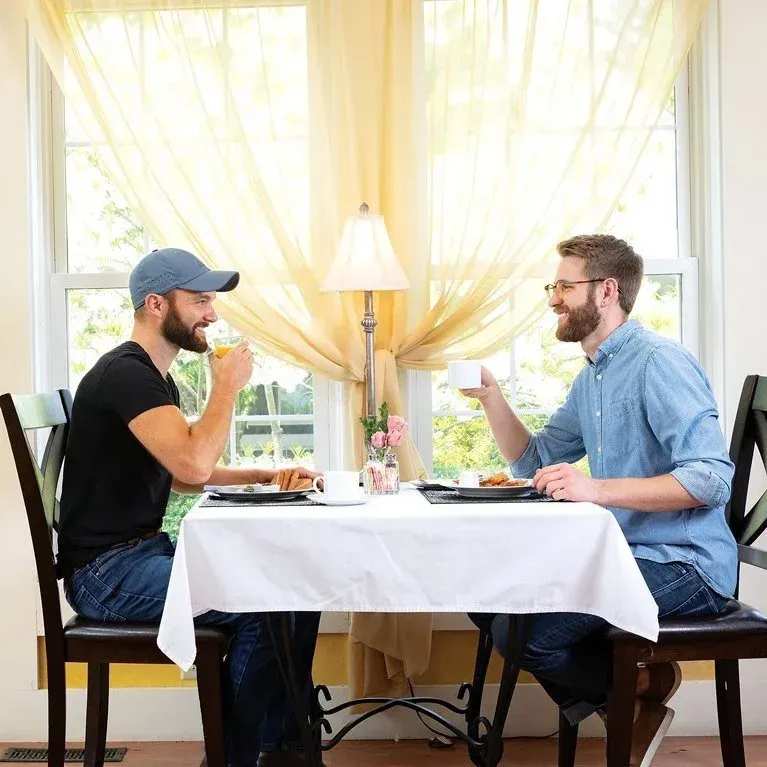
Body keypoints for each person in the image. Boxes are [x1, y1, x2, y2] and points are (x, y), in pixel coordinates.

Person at [463, 235, 736, 767]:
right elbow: (532, 459)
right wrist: (492, 397)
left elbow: (710, 478)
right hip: (623, 555)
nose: (553, 299)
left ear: (607, 290)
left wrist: (595, 490)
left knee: (519, 629)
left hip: (685, 566)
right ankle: (634, 694)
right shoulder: (593, 378)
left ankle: (631, 697)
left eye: (565, 286)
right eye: (553, 286)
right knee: (487, 597)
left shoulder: (659, 362)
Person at [58, 247, 322, 767]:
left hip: (138, 557)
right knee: (265, 602)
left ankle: (283, 746)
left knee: (296, 584)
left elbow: (180, 475)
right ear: (156, 304)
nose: (212, 314)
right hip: (105, 575)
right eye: (200, 300)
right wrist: (225, 389)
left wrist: (264, 476)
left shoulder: (153, 379)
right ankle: (233, 757)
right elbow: (196, 468)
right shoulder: (126, 374)